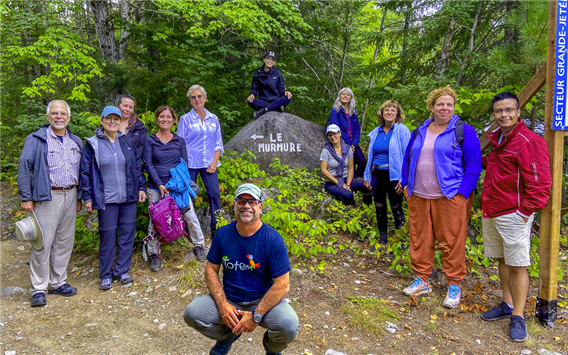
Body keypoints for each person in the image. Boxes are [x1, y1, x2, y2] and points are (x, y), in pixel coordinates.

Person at [184, 184, 299, 355]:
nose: (246, 206)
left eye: (252, 201)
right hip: (231, 299)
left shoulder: (272, 239)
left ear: (260, 207)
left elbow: (283, 284)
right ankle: (227, 338)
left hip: (264, 302)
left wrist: (256, 316)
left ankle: (273, 350)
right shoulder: (222, 234)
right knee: (193, 313)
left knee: (288, 325)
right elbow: (210, 270)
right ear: (235, 205)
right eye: (242, 201)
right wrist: (223, 305)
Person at [401, 86, 482, 308]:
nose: (444, 108)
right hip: (419, 195)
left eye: (449, 104)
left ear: (454, 107)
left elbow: (474, 164)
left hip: (449, 196)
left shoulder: (462, 130)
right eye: (440, 104)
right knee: (420, 239)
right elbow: (408, 157)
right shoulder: (420, 131)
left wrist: (463, 193)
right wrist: (406, 184)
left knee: (452, 241)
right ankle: (422, 280)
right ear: (432, 106)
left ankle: (454, 285)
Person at [480, 92, 551, 342]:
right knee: (503, 259)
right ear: (494, 114)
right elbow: (502, 169)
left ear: (518, 112)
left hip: (514, 213)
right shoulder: (499, 138)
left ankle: (518, 316)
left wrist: (524, 212)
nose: (504, 114)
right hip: (493, 209)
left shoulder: (528, 141)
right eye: (499, 111)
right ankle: (507, 304)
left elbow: (541, 183)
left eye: (509, 110)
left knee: (518, 264)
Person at [17, 100, 83, 307]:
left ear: (69, 117)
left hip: (71, 195)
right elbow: (24, 167)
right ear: (48, 117)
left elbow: (83, 171)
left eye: (63, 113)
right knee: (43, 242)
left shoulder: (76, 141)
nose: (59, 116)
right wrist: (26, 197)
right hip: (47, 197)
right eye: (54, 113)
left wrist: (80, 196)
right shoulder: (37, 139)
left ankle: (57, 282)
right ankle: (38, 288)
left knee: (64, 242)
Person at [80, 106, 147, 290]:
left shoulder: (127, 141)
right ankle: (106, 274)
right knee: (108, 236)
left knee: (127, 234)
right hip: (106, 198)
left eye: (116, 119)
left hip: (128, 196)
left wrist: (141, 187)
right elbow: (85, 172)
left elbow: (136, 167)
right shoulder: (92, 144)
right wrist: (88, 197)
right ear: (101, 121)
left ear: (120, 122)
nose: (112, 122)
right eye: (108, 118)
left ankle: (122, 271)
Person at [143, 106, 206, 270]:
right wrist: (160, 184)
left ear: (173, 120)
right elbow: (148, 164)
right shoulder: (150, 140)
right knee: (155, 221)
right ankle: (154, 255)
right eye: (162, 117)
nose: (165, 120)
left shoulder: (179, 141)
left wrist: (172, 185)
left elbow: (184, 164)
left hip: (177, 188)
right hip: (156, 188)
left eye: (168, 117)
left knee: (190, 216)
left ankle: (199, 245)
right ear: (157, 119)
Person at [178, 85, 224, 237]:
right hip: (190, 164)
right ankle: (187, 232)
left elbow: (218, 143)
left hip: (210, 164)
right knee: (188, 196)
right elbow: (180, 143)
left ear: (205, 98)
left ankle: (217, 230)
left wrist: (214, 162)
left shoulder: (213, 118)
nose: (197, 99)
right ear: (190, 100)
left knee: (214, 194)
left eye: (199, 96)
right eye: (193, 97)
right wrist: (183, 165)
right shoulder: (185, 119)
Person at [363, 100, 411, 245]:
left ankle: (401, 243)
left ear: (397, 114)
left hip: (395, 176)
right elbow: (370, 156)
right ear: (382, 113)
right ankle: (384, 241)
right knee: (379, 208)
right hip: (377, 174)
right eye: (386, 110)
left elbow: (409, 155)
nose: (389, 112)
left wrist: (404, 179)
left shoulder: (401, 130)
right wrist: (367, 175)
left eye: (393, 110)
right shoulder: (375, 132)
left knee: (397, 208)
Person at [320, 124, 372, 206]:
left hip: (346, 179)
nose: (333, 137)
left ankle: (367, 208)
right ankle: (352, 210)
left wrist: (347, 184)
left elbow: (351, 168)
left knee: (367, 186)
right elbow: (324, 170)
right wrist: (339, 184)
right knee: (348, 194)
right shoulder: (326, 151)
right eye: (330, 135)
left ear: (339, 133)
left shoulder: (348, 149)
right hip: (332, 182)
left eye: (335, 134)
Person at [326, 88, 366, 178]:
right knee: (350, 163)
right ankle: (354, 184)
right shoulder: (335, 110)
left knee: (362, 160)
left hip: (353, 142)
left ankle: (359, 178)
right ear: (339, 96)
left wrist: (354, 144)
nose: (345, 96)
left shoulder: (353, 111)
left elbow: (357, 128)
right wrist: (348, 145)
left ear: (351, 97)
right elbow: (336, 129)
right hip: (343, 142)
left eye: (348, 94)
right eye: (343, 94)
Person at [247, 51, 292, 119]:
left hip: (276, 99)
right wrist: (252, 94)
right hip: (263, 101)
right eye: (268, 58)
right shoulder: (258, 73)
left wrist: (285, 91)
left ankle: (264, 110)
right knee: (250, 100)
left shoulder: (278, 74)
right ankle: (276, 108)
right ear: (264, 59)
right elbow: (254, 87)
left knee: (288, 97)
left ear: (274, 62)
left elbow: (281, 87)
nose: (270, 61)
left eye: (272, 59)